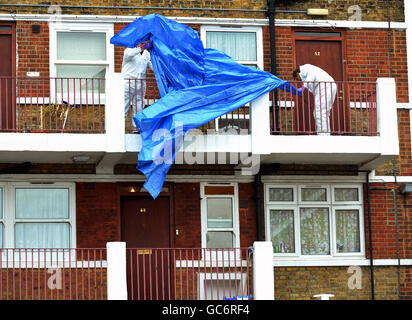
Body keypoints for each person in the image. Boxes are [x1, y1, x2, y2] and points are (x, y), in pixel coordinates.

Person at [293, 64, 337, 136]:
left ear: (298, 73)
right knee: (324, 112)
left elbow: (311, 76)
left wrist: (304, 87)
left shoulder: (306, 69)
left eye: (297, 78)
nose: (299, 80)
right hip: (329, 86)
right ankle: (326, 134)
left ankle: (323, 135)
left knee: (319, 113)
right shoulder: (309, 71)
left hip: (325, 86)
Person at [122, 42, 153, 132]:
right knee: (124, 106)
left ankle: (136, 128)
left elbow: (151, 65)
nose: (142, 44)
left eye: (143, 42)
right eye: (140, 42)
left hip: (140, 84)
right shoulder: (129, 50)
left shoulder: (147, 54)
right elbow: (128, 54)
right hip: (127, 83)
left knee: (139, 106)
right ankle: (118, 127)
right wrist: (141, 49)